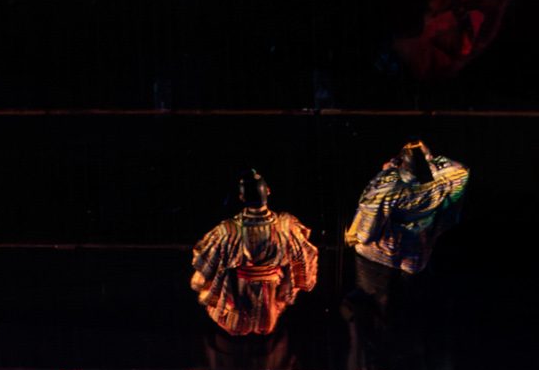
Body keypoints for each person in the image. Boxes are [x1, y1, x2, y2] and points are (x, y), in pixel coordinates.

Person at [190, 170, 320, 336]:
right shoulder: (287, 227)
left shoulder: (227, 231)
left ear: (242, 198)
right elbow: (305, 261)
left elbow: (203, 273)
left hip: (237, 306)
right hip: (270, 309)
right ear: (268, 191)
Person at [346, 141, 470, 281]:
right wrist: (430, 159)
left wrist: (387, 172)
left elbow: (365, 234)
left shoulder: (389, 186)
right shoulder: (446, 181)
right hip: (416, 256)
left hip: (376, 258)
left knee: (372, 300)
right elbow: (460, 173)